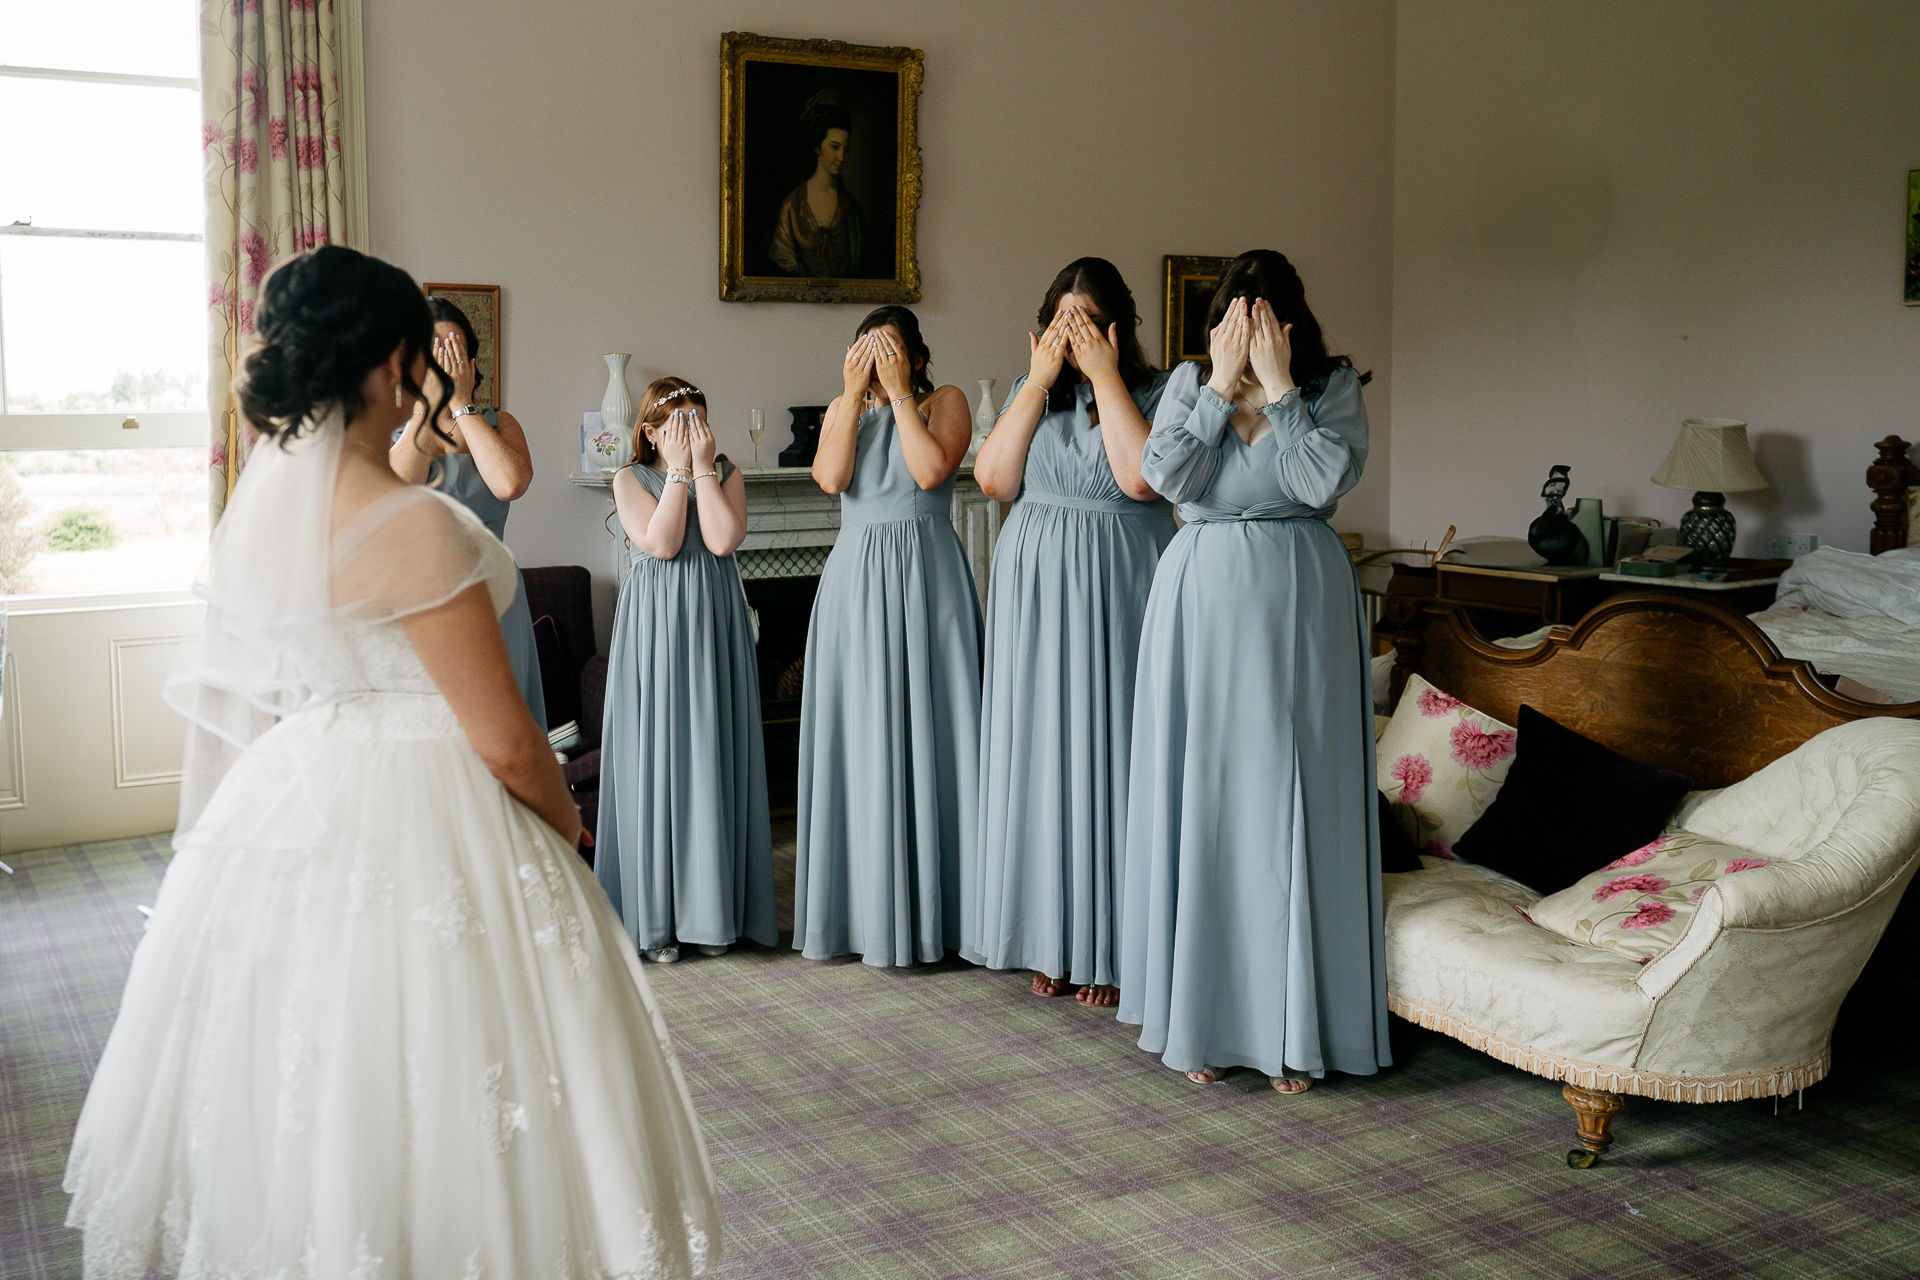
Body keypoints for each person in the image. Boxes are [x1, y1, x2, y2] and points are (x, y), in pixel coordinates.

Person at [63, 246, 720, 1276]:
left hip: (302, 782)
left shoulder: (275, 516)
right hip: (433, 794)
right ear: (393, 364)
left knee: (315, 1078)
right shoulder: (412, 521)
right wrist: (564, 825)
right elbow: (505, 738)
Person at [1118, 249, 1391, 1095]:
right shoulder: (1186, 386)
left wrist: (1278, 389)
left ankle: (1294, 1025)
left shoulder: (1330, 387)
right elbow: (1163, 476)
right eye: (1236, 312)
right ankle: (1201, 1019)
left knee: (1289, 804)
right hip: (1199, 610)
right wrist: (1215, 388)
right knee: (1205, 799)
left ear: (1291, 320)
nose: (1249, 325)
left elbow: (1318, 485)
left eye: (1264, 313)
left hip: (1298, 612)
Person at [963, 258, 1172, 1007]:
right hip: (1036, 590)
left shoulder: (1156, 391)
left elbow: (1142, 478)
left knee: (1113, 753)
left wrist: (1102, 373)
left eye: (1085, 322)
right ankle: (1050, 936)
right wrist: (1039, 377)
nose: (1072, 335)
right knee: (1043, 754)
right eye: (1061, 321)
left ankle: (1110, 946)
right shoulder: (1033, 397)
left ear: (1116, 328)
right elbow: (993, 482)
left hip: (1121, 578)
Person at [793, 306, 979, 967]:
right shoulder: (847, 412)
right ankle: (862, 911)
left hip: (926, 575)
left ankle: (945, 915)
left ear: (918, 357)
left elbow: (931, 472)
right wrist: (850, 396)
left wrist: (900, 394)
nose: (879, 361)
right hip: (856, 579)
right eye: (867, 351)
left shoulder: (943, 400)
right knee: (862, 736)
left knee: (934, 730)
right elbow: (828, 478)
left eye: (892, 350)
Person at [595, 377, 776, 966]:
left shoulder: (726, 474)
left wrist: (701, 469)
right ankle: (659, 916)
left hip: (715, 623)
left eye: (700, 419)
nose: (692, 432)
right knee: (662, 759)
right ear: (649, 432)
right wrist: (676, 471)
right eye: (679, 422)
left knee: (711, 754)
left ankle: (714, 911)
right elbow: (663, 543)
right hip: (657, 633)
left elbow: (723, 540)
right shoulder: (628, 479)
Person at [389, 297, 546, 728]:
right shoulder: (392, 431)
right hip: (421, 602)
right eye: (431, 350)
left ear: (470, 362)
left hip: (495, 598)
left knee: (499, 734)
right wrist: (426, 407)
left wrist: (462, 406)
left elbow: (510, 483)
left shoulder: (502, 423)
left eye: (452, 349)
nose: (443, 360)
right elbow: (394, 493)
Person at [768, 91, 866, 278]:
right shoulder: (793, 203)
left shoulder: (853, 210)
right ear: (817, 147)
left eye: (847, 150)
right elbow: (782, 260)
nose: (842, 157)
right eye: (835, 147)